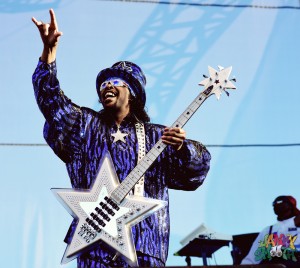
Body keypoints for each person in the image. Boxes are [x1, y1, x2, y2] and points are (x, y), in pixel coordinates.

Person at [31, 9, 211, 268]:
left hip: (145, 246)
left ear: (134, 93)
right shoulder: (85, 125)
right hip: (96, 248)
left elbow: (196, 172)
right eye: (103, 84)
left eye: (116, 82)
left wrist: (183, 148)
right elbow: (51, 103)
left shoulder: (157, 136)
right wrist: (49, 54)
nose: (107, 86)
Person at [241, 195, 300, 267]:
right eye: (274, 203)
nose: (276, 204)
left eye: (280, 202)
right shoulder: (268, 230)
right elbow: (253, 257)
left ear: (290, 205)